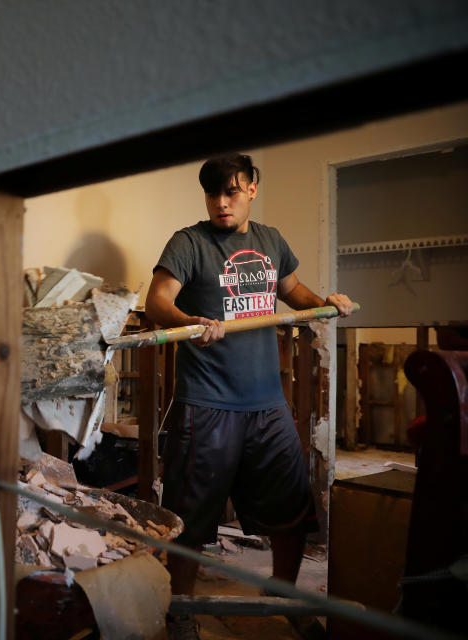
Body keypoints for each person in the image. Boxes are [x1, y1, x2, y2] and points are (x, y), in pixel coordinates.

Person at [144, 154, 354, 639]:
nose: (222, 203)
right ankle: (181, 611)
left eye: (232, 192)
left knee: (292, 508)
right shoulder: (189, 242)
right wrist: (187, 322)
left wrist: (325, 302)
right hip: (206, 404)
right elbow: (157, 300)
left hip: (267, 403)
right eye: (213, 194)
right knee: (190, 520)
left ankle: (285, 595)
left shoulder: (271, 240)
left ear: (253, 188)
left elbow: (293, 289)